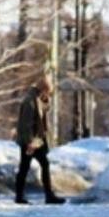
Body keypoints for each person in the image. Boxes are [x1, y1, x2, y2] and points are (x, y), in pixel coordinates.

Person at [14, 77, 66, 205]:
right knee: (25, 167)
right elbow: (25, 124)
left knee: (43, 164)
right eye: (48, 92)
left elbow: (43, 111)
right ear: (43, 89)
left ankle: (48, 195)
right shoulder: (29, 101)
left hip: (37, 138)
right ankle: (21, 196)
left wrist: (46, 101)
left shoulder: (37, 98)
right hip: (31, 139)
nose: (48, 94)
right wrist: (30, 143)